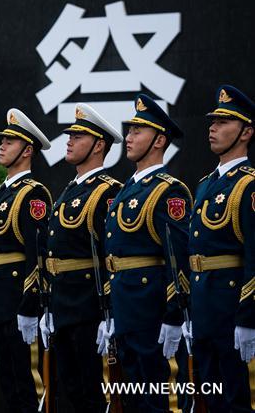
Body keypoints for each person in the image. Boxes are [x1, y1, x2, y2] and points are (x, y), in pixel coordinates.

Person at [101, 94, 192, 412]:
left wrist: (173, 313)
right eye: (129, 130)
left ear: (159, 140)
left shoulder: (169, 189)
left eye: (138, 131)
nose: (129, 137)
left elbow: (177, 258)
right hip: (126, 305)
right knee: (134, 395)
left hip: (150, 306)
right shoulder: (126, 189)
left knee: (156, 396)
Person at [39, 103, 122, 412]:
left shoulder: (108, 191)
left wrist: (108, 312)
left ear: (99, 144)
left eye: (78, 136)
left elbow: (111, 255)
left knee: (93, 392)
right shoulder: (70, 190)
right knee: (69, 390)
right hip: (63, 303)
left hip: (89, 305)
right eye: (69, 135)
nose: (69, 141)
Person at [0, 108, 52, 413]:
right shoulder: (1, 195)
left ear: (27, 150)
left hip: (19, 299)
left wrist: (30, 304)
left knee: (27, 383)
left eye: (10, 141)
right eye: (3, 140)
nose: (2, 145)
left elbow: (37, 252)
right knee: (9, 383)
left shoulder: (33, 194)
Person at [188, 85, 255, 411]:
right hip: (204, 306)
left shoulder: (249, 183)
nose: (213, 128)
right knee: (212, 397)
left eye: (224, 122)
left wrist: (248, 317)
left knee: (237, 398)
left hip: (231, 307)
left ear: (246, 132)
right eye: (212, 121)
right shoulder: (205, 183)